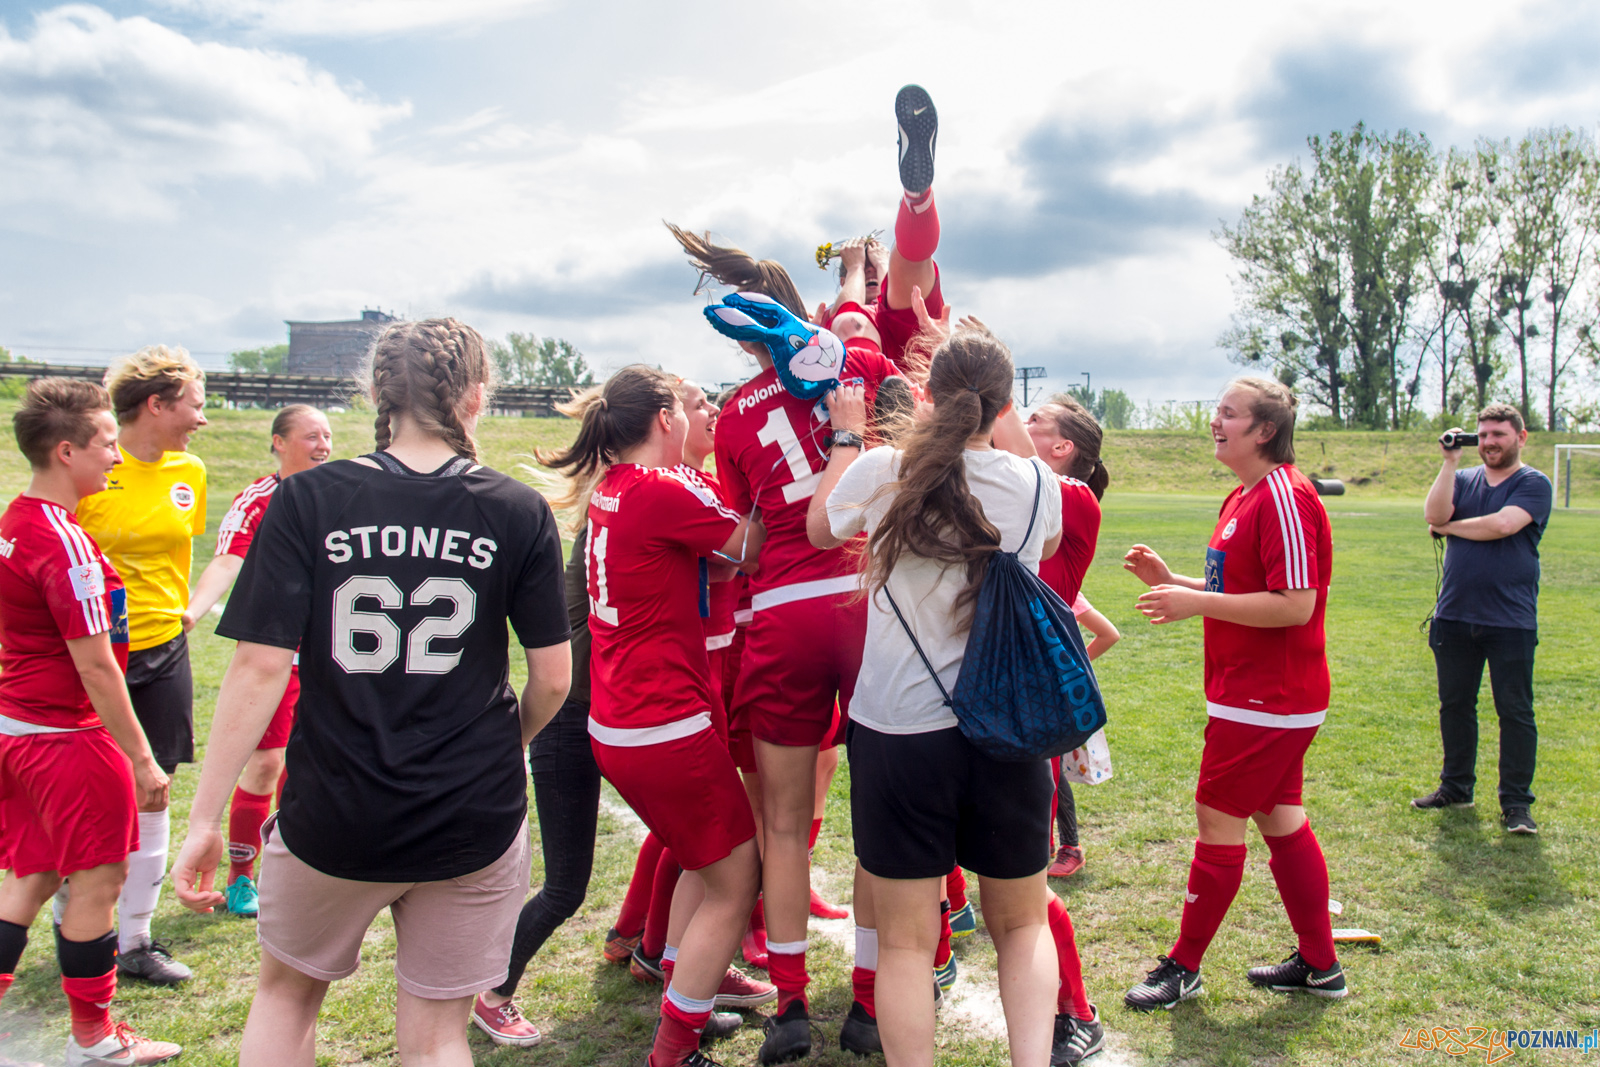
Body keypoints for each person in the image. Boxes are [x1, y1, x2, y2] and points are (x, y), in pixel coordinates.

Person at [170, 318, 572, 1067]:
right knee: (435, 1039)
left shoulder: (308, 498)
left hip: (335, 804)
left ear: (378, 395)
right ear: (476, 396)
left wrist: (204, 816)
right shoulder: (516, 508)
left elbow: (259, 668)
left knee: (285, 997)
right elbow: (552, 677)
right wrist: (500, 745)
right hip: (470, 815)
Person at [809, 326, 1083, 1067]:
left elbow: (814, 524)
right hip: (1005, 729)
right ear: (1005, 406)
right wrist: (1000, 420)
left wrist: (843, 436)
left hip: (899, 730)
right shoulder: (1036, 485)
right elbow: (1047, 540)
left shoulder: (881, 468)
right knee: (1021, 926)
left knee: (904, 942)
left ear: (928, 393)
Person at [670, 226, 898, 1065]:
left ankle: (793, 1003)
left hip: (781, 617)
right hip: (866, 603)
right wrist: (857, 268)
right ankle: (870, 1002)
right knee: (878, 815)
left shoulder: (732, 416)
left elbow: (752, 541)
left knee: (782, 823)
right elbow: (869, 326)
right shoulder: (856, 370)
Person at [539, 365, 767, 1067]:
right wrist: (769, 484)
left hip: (625, 720)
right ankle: (673, 1048)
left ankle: (683, 979)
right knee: (739, 876)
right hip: (662, 723)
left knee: (705, 854)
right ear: (664, 420)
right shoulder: (660, 490)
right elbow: (749, 548)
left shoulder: (616, 488)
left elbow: (705, 563)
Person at [1122, 376, 1345, 1011]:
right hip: (1250, 694)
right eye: (1217, 412)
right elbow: (1242, 585)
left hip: (1270, 698)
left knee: (1217, 818)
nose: (1215, 422)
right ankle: (1322, 965)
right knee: (1282, 820)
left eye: (1229, 414)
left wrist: (1196, 602)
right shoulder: (1244, 495)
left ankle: (1183, 967)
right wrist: (1179, 581)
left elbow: (1295, 606)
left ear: (1265, 431)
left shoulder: (1286, 497)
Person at [0, 379, 181, 1066]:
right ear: (67, 449)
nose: (115, 454)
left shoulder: (18, 520)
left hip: (20, 729)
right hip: (67, 739)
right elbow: (97, 667)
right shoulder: (62, 542)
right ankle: (97, 1038)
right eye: (107, 441)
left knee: (32, 877)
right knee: (100, 881)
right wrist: (140, 757)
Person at [76, 345, 208, 986]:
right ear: (155, 405)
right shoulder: (93, 469)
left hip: (166, 649)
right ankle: (79, 928)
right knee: (96, 796)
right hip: (96, 655)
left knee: (154, 790)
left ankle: (136, 941)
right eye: (194, 406)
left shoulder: (192, 472)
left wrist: (183, 612)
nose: (201, 421)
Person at [182, 404, 333, 918]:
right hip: (275, 656)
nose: (323, 446)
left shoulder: (339, 495)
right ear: (278, 442)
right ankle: (241, 877)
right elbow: (228, 557)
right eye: (311, 436)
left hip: (329, 658)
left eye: (328, 437)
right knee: (266, 762)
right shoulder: (258, 499)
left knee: (309, 764)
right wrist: (194, 610)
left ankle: (292, 867)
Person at [1414, 404, 1551, 834]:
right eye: (1484, 435)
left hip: (1510, 619)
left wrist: (1450, 528)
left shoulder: (1533, 483)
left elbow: (1502, 525)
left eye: (1500, 435)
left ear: (1520, 437)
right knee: (1455, 706)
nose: (1491, 442)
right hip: (1454, 615)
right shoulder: (1464, 477)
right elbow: (1434, 515)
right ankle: (1455, 788)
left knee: (1514, 712)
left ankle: (1515, 805)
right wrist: (1449, 462)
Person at [1025, 394, 1111, 880]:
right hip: (1010, 655)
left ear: (1062, 447)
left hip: (1037, 664)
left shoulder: (1073, 494)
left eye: (1034, 419)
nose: (1021, 420)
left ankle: (1046, 865)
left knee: (1037, 786)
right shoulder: (1023, 486)